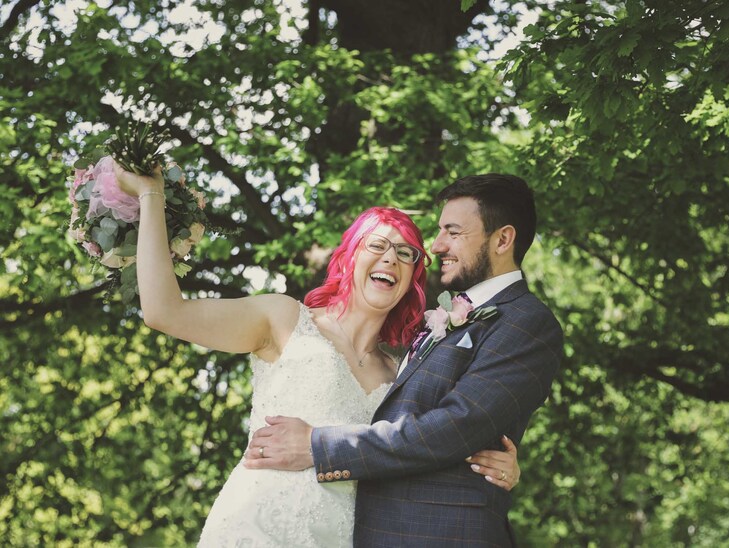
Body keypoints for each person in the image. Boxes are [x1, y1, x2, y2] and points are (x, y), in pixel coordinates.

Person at [114, 165, 521, 547]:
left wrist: (498, 468)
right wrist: (151, 195)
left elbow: (430, 442)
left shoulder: (403, 374)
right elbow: (164, 312)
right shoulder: (283, 318)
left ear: (412, 278)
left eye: (405, 253)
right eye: (376, 245)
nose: (390, 259)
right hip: (257, 528)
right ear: (349, 258)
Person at [244, 173, 563, 546]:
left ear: (503, 239)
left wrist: (318, 445)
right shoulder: (443, 316)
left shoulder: (526, 320)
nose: (437, 244)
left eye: (453, 232)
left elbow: (457, 425)